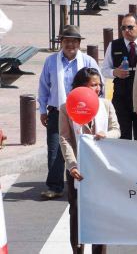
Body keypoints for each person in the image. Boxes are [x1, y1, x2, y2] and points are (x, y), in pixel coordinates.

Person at [59, 67, 118, 254]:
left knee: (101, 213)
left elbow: (117, 130)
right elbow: (65, 138)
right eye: (93, 85)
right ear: (81, 87)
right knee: (76, 212)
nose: (98, 88)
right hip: (79, 169)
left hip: (101, 168)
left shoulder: (106, 105)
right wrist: (72, 165)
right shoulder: (66, 108)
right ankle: (77, 249)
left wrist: (106, 134)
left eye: (99, 84)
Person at [37, 26, 101, 200]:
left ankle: (85, 182)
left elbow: (98, 86)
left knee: (83, 148)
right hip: (58, 112)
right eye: (66, 41)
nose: (70, 44)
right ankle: (55, 186)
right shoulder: (51, 61)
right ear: (61, 42)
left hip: (83, 112)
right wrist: (43, 110)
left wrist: (97, 109)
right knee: (55, 150)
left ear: (79, 43)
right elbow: (43, 87)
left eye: (74, 41)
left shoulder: (88, 61)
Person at [102, 13, 137, 140]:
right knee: (122, 135)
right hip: (121, 98)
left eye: (130, 27)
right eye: (123, 28)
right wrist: (115, 72)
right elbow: (104, 69)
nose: (126, 31)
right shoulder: (114, 45)